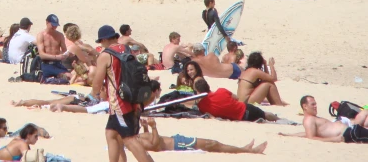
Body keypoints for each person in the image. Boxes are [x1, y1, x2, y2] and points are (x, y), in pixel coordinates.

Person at [92, 25, 155, 162]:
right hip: (133, 99)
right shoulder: (126, 49)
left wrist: (94, 94)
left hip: (120, 104)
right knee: (111, 134)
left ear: (103, 40)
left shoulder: (105, 55)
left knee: (129, 139)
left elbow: (97, 82)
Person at [138, 118, 267, 154]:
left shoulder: (134, 137)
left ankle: (244, 149)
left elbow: (150, 140)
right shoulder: (134, 141)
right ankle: (247, 150)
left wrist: (146, 127)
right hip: (178, 144)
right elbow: (155, 146)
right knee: (213, 144)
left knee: (213, 143)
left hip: (176, 139)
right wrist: (153, 126)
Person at [279, 95, 368, 143]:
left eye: (315, 104)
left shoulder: (312, 119)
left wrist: (289, 135)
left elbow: (307, 133)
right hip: (350, 133)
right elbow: (311, 137)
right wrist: (334, 139)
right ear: (305, 106)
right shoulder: (309, 120)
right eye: (313, 104)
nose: (316, 106)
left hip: (351, 130)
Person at [194, 78, 278, 122]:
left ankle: (279, 119)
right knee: (265, 114)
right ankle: (279, 119)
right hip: (245, 109)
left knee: (264, 115)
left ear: (198, 92)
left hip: (241, 118)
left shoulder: (202, 106)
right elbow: (236, 98)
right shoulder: (221, 91)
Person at [36, 14, 71, 80]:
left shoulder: (60, 35)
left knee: (72, 76)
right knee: (69, 76)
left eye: (56, 26)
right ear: (47, 22)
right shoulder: (41, 35)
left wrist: (66, 55)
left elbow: (64, 51)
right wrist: (56, 57)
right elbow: (42, 55)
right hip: (46, 64)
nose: (54, 27)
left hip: (58, 64)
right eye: (53, 25)